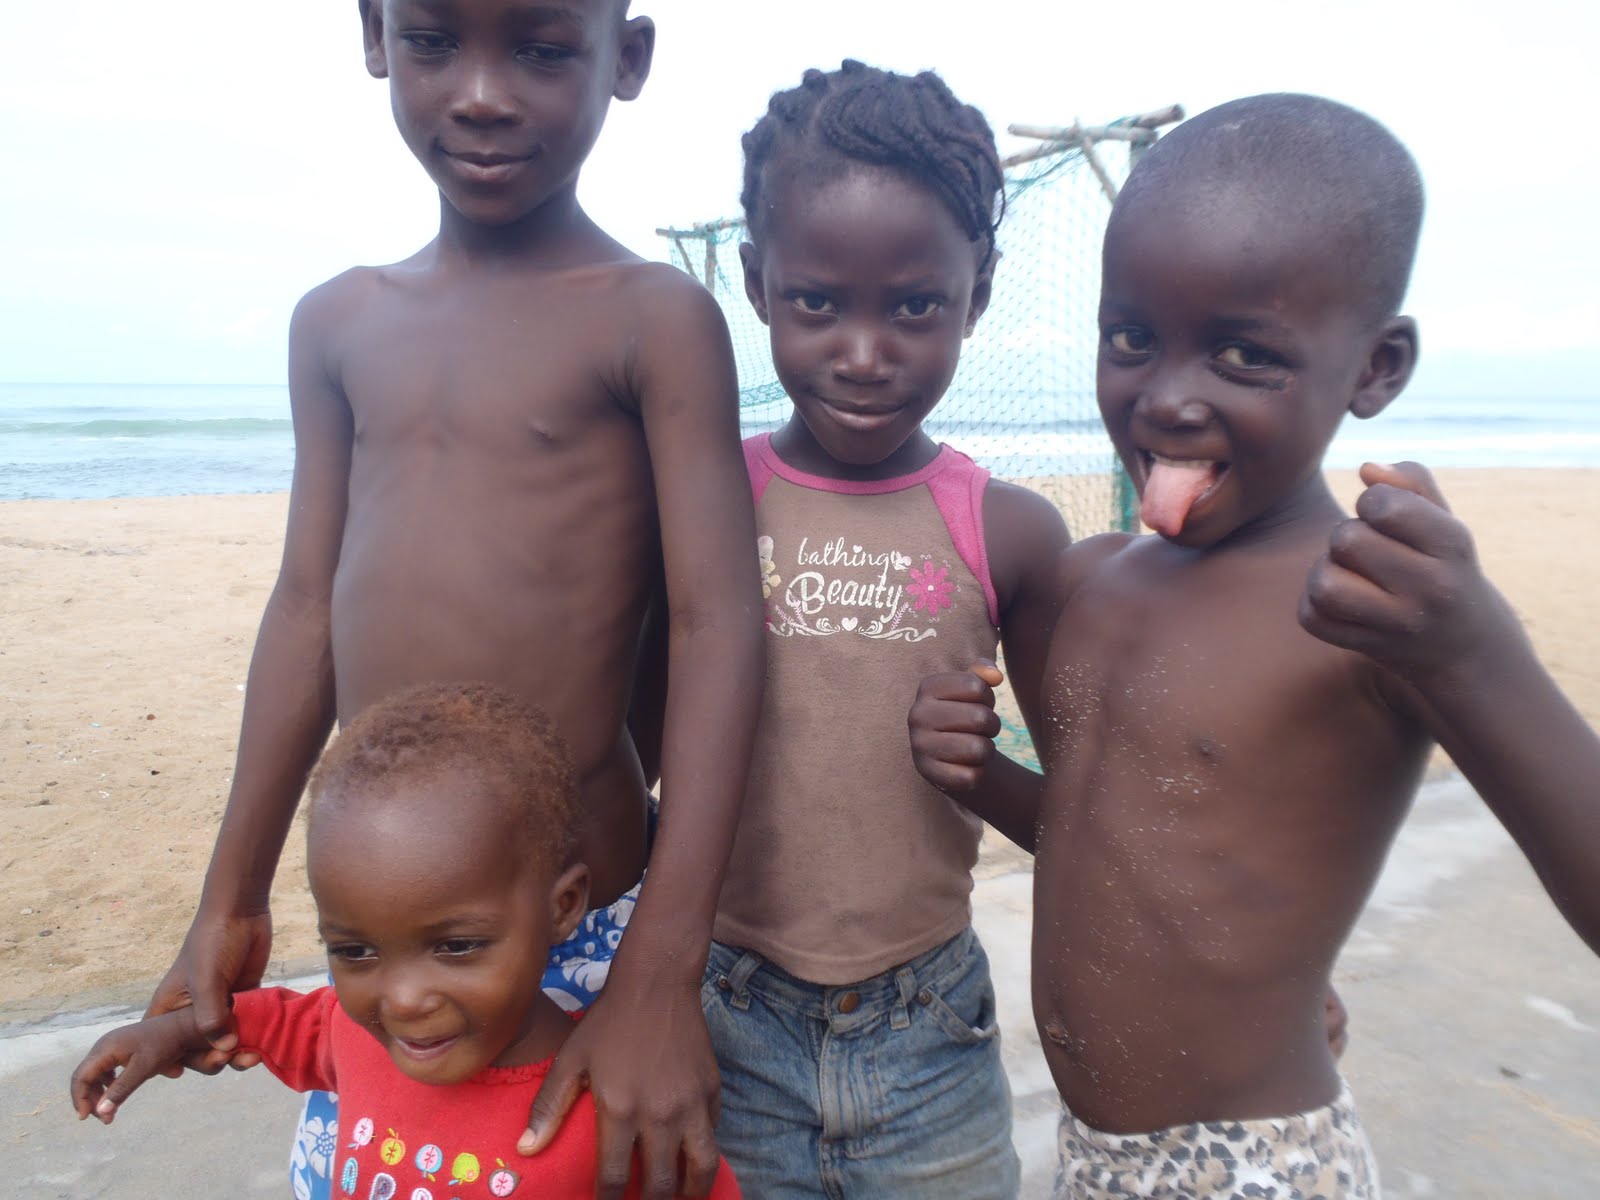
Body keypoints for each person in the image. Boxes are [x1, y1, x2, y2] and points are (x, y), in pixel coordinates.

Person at [908, 93, 1600, 1198]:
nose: (1168, 398)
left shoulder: (1368, 611)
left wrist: (1475, 652)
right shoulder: (1092, 582)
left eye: (1243, 355)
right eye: (1131, 337)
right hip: (1094, 1160)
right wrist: (985, 779)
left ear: (1375, 368)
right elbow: (1111, 855)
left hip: (1255, 1164)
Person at [142, 4, 765, 1198]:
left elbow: (718, 625)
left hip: (586, 936)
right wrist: (227, 900)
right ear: (375, 34)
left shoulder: (650, 320)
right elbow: (305, 607)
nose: (482, 93)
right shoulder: (337, 323)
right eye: (434, 40)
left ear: (623, 59)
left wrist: (657, 975)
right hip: (400, 935)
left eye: (539, 48)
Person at [690, 60, 1071, 1198]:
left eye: (914, 306)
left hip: (927, 1034)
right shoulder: (706, 499)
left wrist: (982, 771)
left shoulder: (1008, 533)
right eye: (817, 302)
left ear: (979, 290)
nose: (864, 352)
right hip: (725, 1016)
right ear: (756, 284)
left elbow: (1075, 825)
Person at [72, 684, 743, 1199]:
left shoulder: (612, 1107)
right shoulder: (357, 1038)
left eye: (456, 946)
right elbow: (286, 1025)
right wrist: (177, 1031)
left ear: (563, 908)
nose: (403, 1000)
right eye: (355, 952)